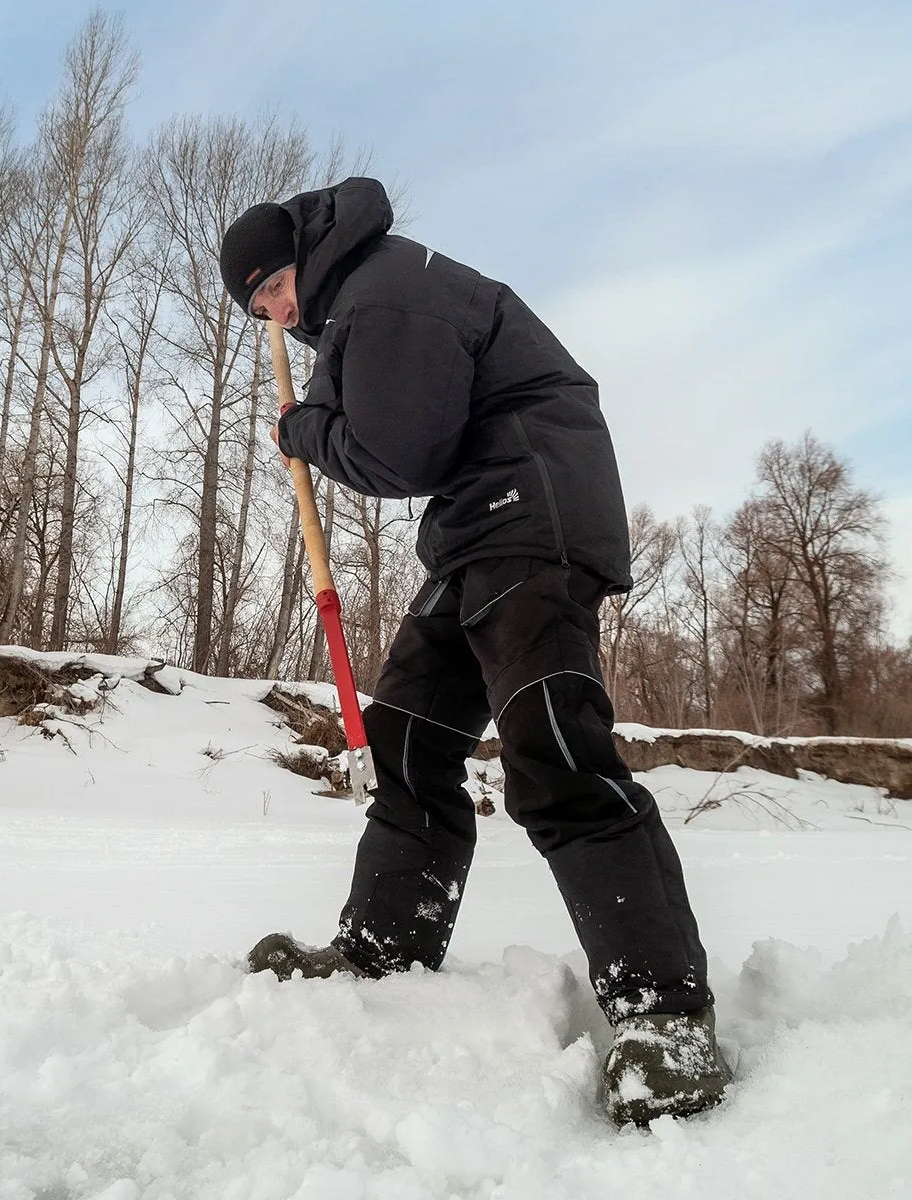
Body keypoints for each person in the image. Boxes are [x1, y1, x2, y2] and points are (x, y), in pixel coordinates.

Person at [219, 177, 731, 1125]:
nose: (274, 314)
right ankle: (387, 942)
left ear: (300, 261)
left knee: (553, 751)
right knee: (408, 734)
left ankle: (665, 1014)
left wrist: (307, 429)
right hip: (477, 530)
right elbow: (381, 420)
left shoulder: (382, 291)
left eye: (273, 289)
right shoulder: (363, 308)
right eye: (259, 308)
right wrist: (318, 413)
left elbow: (398, 453)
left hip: (530, 515)